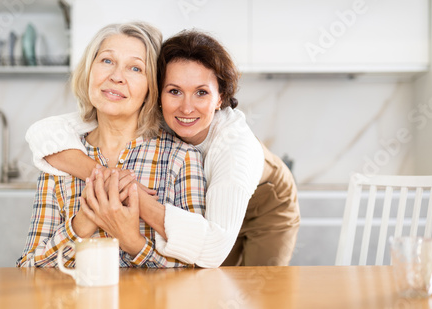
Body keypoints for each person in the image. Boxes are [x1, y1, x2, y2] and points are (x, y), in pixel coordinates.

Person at [25, 29, 300, 267]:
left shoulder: (232, 150)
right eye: (174, 91)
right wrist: (106, 177)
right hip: (204, 217)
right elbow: (43, 134)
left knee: (259, 289)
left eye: (202, 92)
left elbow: (212, 251)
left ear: (221, 99)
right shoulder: (149, 115)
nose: (186, 107)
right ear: (158, 94)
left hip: (264, 204)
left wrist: (128, 199)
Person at [16, 22, 206, 268]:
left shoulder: (181, 159)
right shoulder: (58, 158)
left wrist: (133, 242)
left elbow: (198, 271)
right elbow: (29, 268)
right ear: (89, 70)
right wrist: (82, 223)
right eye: (107, 61)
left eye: (135, 68)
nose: (116, 77)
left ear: (152, 86)